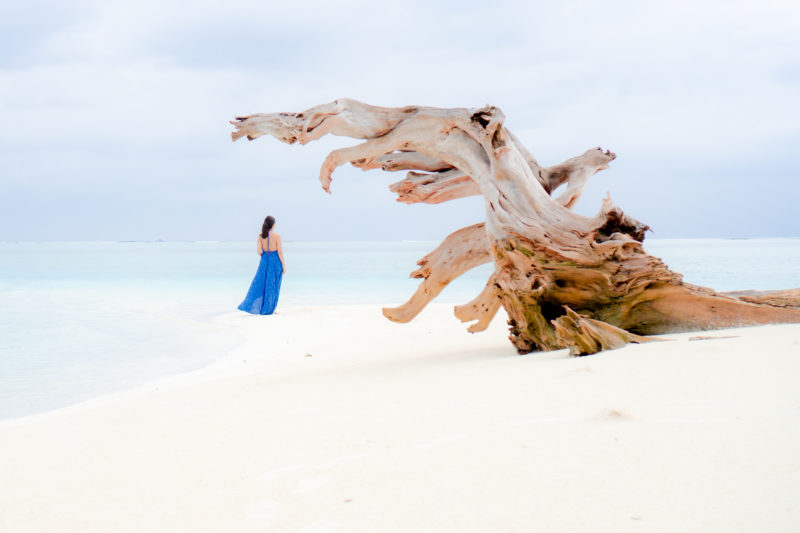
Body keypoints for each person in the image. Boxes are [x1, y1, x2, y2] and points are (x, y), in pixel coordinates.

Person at [237, 215, 285, 315]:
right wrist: (284, 265)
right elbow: (280, 252)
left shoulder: (260, 236)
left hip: (264, 261)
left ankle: (257, 306)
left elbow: (258, 251)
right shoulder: (277, 236)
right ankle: (271, 308)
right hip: (275, 261)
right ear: (273, 225)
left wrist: (265, 255)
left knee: (260, 283)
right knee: (273, 284)